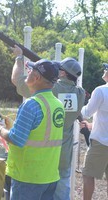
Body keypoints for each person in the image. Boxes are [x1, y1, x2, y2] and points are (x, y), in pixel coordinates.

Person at [11, 45, 85, 200]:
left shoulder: (51, 89)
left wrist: (19, 58)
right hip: (64, 155)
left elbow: (17, 80)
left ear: (62, 73)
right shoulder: (80, 94)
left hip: (45, 159)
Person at [0, 59, 65, 200]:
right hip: (49, 176)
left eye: (31, 70)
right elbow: (41, 133)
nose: (28, 73)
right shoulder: (57, 104)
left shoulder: (30, 105)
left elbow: (16, 139)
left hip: (28, 177)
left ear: (37, 77)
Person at [80, 63, 108, 200]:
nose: (105, 70)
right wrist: (92, 125)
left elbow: (87, 112)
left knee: (87, 174)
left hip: (101, 143)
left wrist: (79, 104)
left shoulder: (101, 90)